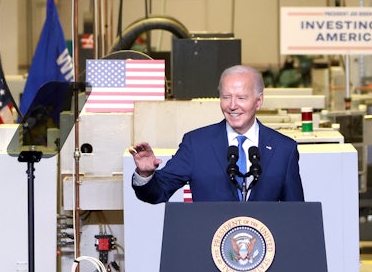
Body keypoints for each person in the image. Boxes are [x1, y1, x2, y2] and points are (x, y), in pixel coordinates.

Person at [129, 64, 304, 203]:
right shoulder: (196, 144)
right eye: (226, 97)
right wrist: (145, 175)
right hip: (209, 244)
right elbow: (158, 192)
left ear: (259, 101)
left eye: (241, 98)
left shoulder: (284, 149)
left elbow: (296, 215)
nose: (232, 105)